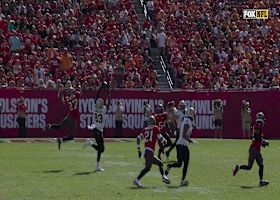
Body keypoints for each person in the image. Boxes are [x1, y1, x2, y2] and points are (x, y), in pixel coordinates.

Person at [233, 112, 269, 187]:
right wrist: (263, 141)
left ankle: (261, 181)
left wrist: (262, 142)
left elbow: (257, 138)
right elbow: (256, 136)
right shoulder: (258, 126)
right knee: (253, 166)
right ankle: (239, 167)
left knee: (259, 165)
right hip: (254, 149)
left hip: (255, 149)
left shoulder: (258, 126)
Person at [133, 116, 170, 188]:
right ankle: (137, 180)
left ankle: (164, 177)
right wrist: (165, 141)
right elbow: (161, 139)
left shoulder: (145, 129)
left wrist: (139, 150)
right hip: (150, 151)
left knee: (160, 163)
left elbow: (138, 138)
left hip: (147, 151)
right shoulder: (155, 128)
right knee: (147, 168)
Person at [43, 81, 81, 150]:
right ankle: (60, 140)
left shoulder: (67, 99)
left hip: (69, 115)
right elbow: (78, 93)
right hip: (73, 116)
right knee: (71, 137)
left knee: (59, 126)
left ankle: (49, 126)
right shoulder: (75, 95)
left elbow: (64, 101)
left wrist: (62, 94)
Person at [165, 107, 197, 186]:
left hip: (182, 144)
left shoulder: (186, 120)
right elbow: (183, 134)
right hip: (182, 145)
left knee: (183, 163)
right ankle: (170, 167)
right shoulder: (188, 121)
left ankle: (182, 180)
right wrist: (191, 141)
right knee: (181, 163)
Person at [83, 92, 112, 171]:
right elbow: (109, 105)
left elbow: (96, 99)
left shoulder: (94, 108)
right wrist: (109, 96)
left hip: (98, 129)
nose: (103, 104)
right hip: (97, 130)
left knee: (101, 149)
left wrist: (99, 91)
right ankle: (90, 144)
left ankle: (97, 165)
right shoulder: (103, 110)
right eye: (102, 103)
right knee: (101, 148)